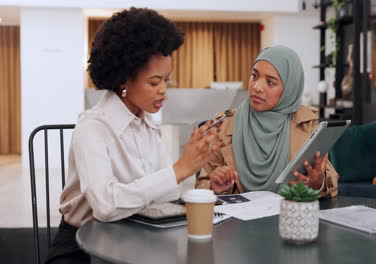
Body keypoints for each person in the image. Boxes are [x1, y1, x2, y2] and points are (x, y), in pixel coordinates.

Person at [46, 8, 221, 264]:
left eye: (167, 81)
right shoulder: (92, 128)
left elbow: (166, 195)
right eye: (154, 82)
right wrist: (180, 169)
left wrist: (202, 185)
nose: (164, 91)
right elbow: (105, 206)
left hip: (132, 238)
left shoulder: (146, 124)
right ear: (123, 80)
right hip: (81, 246)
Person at [196, 45, 339, 196]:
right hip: (238, 218)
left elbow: (331, 183)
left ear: (289, 89)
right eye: (254, 75)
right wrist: (214, 186)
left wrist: (317, 184)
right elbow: (200, 185)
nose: (257, 87)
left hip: (289, 214)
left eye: (270, 82)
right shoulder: (225, 125)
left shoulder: (308, 124)